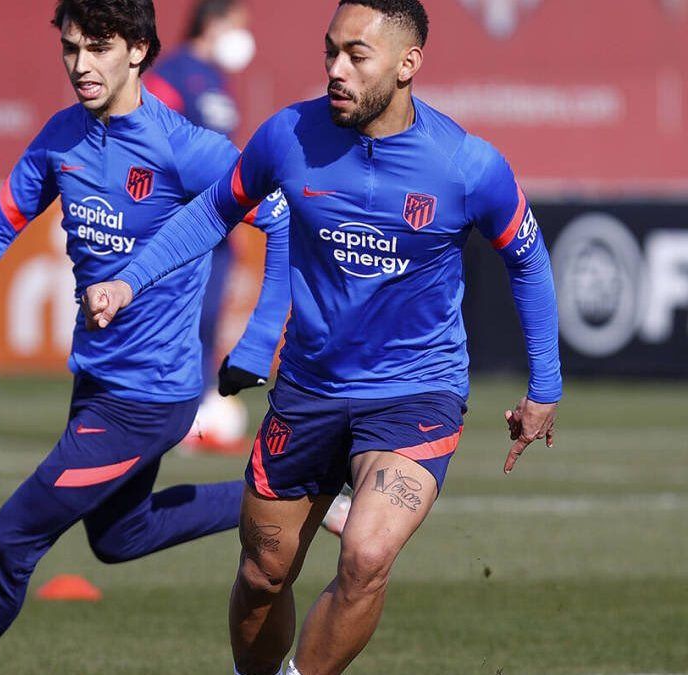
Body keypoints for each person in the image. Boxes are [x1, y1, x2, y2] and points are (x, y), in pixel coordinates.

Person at [81, 1, 562, 673]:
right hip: (307, 390)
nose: (335, 70)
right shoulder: (287, 137)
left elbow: (529, 262)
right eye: (330, 51)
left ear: (406, 64)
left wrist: (546, 385)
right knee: (262, 573)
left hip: (414, 392)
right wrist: (130, 280)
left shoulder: (467, 165)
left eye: (356, 57)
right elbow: (213, 212)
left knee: (365, 554)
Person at [0, 1, 290, 673]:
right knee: (122, 535)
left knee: (11, 539)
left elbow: (282, 215)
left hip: (148, 396)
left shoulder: (187, 149)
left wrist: (261, 337)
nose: (81, 65)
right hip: (98, 379)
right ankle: (288, 496)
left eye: (98, 47)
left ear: (140, 50)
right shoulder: (62, 137)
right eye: (70, 49)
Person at [146, 0, 259, 453]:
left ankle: (199, 408)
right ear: (214, 23)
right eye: (239, 25)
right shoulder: (173, 73)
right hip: (180, 223)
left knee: (210, 319)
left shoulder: (219, 80)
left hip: (218, 225)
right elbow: (148, 135)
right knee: (182, 320)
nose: (245, 37)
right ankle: (170, 413)